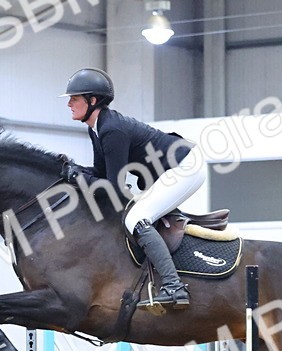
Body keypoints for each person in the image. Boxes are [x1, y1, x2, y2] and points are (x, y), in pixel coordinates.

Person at [62, 67, 204, 310]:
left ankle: (174, 286)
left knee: (136, 218)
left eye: (74, 99)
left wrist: (80, 179)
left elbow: (116, 188)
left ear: (92, 100)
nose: (69, 105)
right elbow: (101, 173)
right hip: (168, 169)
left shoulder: (111, 130)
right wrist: (74, 170)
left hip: (185, 167)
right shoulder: (96, 128)